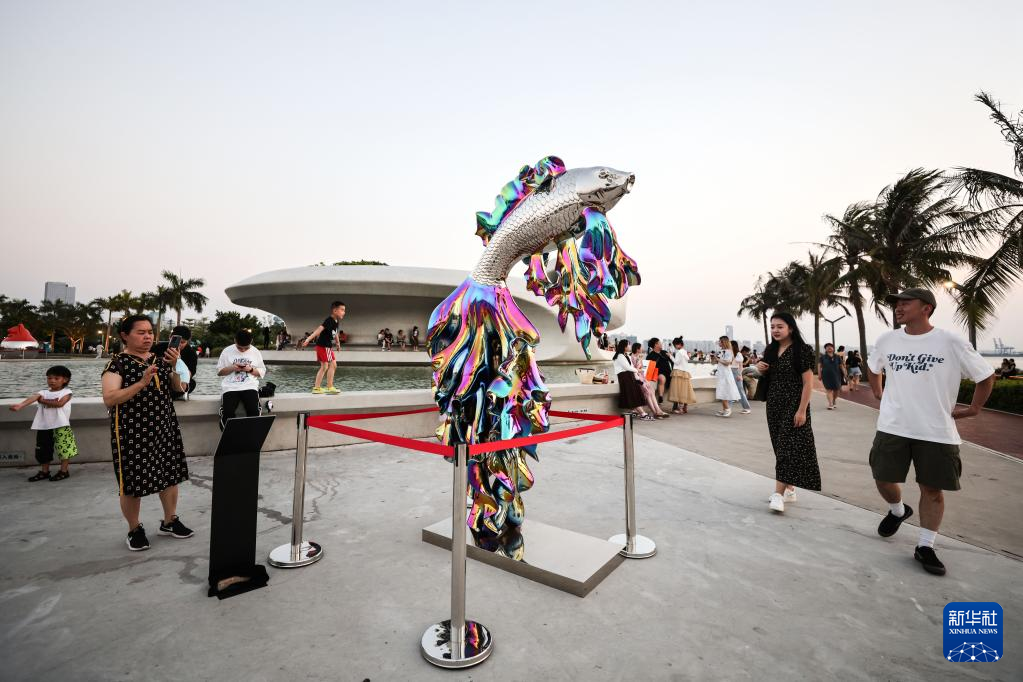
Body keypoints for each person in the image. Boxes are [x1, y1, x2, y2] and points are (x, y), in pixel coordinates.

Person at [866, 288, 995, 577]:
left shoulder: (950, 341)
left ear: (926, 308)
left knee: (932, 489)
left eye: (905, 303)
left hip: (936, 430)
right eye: (896, 304)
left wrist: (974, 409)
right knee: (882, 478)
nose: (898, 308)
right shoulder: (887, 340)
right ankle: (898, 510)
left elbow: (986, 375)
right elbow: (873, 367)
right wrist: (878, 392)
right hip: (893, 425)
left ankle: (925, 545)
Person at [102, 315, 192, 551]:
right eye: (141, 332)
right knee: (132, 482)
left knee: (170, 474)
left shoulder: (160, 360)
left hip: (164, 426)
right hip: (131, 431)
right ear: (125, 335)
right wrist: (141, 383)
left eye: (150, 332)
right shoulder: (117, 364)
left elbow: (179, 389)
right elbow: (110, 398)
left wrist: (175, 367)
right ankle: (134, 529)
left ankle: (170, 520)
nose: (147, 337)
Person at [754, 313, 821, 512]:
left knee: (786, 448)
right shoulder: (771, 350)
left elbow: (808, 383)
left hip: (794, 404)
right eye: (772, 326)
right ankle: (790, 489)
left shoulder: (802, 350)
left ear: (790, 328)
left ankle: (778, 495)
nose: (775, 330)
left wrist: (802, 410)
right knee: (780, 447)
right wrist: (760, 368)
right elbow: (768, 376)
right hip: (774, 404)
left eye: (780, 326)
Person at [9, 365, 79, 482]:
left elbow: (60, 404)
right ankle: (45, 472)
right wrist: (20, 405)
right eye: (49, 378)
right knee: (43, 450)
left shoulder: (67, 392)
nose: (52, 381)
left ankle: (64, 471)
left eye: (56, 378)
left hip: (61, 426)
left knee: (64, 450)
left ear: (65, 380)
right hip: (44, 426)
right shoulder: (43, 392)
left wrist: (42, 400)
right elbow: (33, 398)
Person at [216, 329, 267, 430]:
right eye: (239, 348)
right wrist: (233, 368)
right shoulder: (227, 351)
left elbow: (261, 373)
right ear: (235, 340)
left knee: (254, 411)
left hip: (249, 386)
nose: (243, 350)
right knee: (228, 413)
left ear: (251, 341)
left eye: (246, 348)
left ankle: (251, 435)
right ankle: (230, 435)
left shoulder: (255, 352)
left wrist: (250, 369)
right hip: (230, 387)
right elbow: (220, 372)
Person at [301, 300, 346, 394]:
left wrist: (338, 343)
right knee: (332, 365)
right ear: (335, 310)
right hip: (324, 346)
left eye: (344, 310)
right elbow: (319, 329)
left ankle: (317, 388)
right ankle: (329, 387)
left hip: (324, 346)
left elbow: (335, 333)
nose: (344, 312)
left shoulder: (336, 321)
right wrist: (308, 339)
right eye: (342, 310)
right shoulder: (329, 320)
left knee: (325, 366)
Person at [613, 340, 658, 421]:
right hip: (624, 377)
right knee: (632, 395)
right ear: (624, 347)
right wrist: (637, 370)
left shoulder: (625, 355)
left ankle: (637, 412)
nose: (630, 346)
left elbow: (630, 367)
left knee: (633, 395)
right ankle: (643, 414)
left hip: (629, 376)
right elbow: (627, 367)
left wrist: (637, 376)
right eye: (628, 345)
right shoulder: (620, 356)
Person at [155, 325, 198, 398]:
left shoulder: (191, 353)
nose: (179, 345)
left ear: (187, 342)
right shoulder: (160, 347)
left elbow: (189, 375)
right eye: (175, 341)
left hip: (179, 379)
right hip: (160, 377)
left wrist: (177, 362)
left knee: (191, 383)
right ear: (170, 337)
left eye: (182, 342)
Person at [666, 338, 697, 414]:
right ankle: (684, 408)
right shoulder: (685, 352)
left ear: (679, 344)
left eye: (675, 345)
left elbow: (676, 362)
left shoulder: (679, 352)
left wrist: (670, 356)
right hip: (685, 372)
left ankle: (680, 409)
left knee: (677, 391)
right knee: (684, 391)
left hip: (678, 372)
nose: (675, 347)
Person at [715, 336, 741, 417]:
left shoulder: (729, 352)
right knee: (721, 391)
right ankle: (724, 409)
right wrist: (714, 358)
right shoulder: (721, 351)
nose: (719, 343)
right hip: (721, 373)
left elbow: (727, 363)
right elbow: (718, 362)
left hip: (726, 374)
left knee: (724, 390)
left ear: (724, 342)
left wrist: (718, 359)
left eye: (720, 341)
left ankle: (727, 409)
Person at [818, 342, 845, 409]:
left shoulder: (837, 357)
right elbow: (819, 366)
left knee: (837, 390)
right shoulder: (822, 357)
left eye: (831, 346)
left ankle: (834, 400)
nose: (829, 347)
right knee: (828, 389)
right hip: (826, 375)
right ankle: (830, 404)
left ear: (833, 348)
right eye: (827, 347)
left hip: (837, 375)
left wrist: (845, 374)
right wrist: (819, 374)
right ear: (825, 349)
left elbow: (841, 366)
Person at [646, 338, 673, 403]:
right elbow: (648, 368)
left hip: (668, 371)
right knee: (662, 379)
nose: (661, 344)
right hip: (658, 372)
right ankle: (660, 397)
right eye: (660, 343)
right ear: (656, 345)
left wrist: (673, 370)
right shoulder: (650, 355)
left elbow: (672, 361)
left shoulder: (664, 352)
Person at [731, 340, 752, 414]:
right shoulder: (729, 353)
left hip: (736, 372)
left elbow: (741, 366)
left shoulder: (738, 354)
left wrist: (740, 375)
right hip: (730, 372)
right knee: (729, 390)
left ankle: (747, 408)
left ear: (733, 346)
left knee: (741, 391)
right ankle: (727, 409)